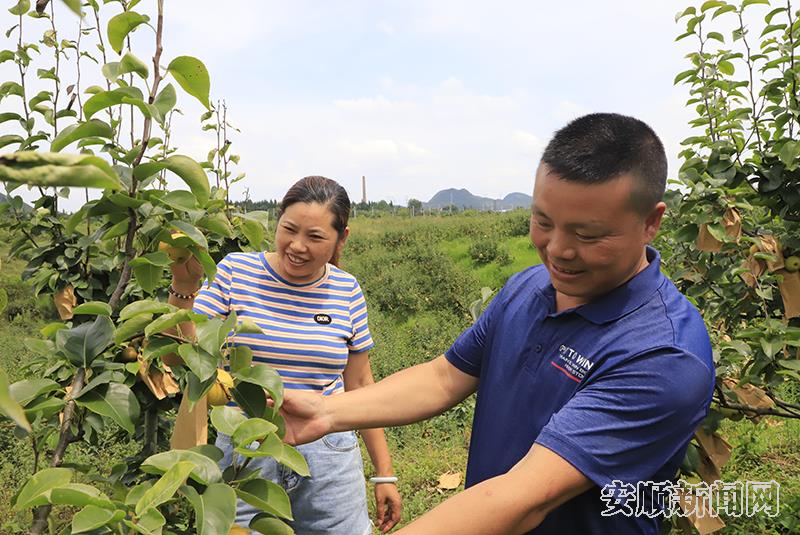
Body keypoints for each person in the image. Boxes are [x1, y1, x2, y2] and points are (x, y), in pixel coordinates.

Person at [279, 113, 715, 534]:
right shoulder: (529, 286)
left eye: (587, 235)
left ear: (651, 222)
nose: (557, 250)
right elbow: (444, 377)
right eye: (543, 222)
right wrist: (326, 411)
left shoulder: (664, 355)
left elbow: (523, 499)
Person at [168, 175, 402, 534]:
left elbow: (359, 384)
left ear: (342, 238)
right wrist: (184, 287)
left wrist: (384, 473)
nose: (297, 246)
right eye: (288, 229)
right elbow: (184, 355)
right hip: (246, 445)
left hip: (329, 450)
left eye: (315, 237)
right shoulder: (236, 272)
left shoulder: (346, 290)